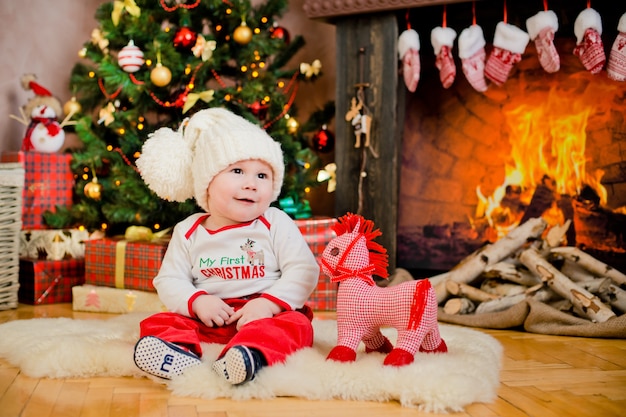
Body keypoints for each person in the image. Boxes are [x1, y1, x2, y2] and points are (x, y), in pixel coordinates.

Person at [132, 107, 320, 385]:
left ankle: (249, 355)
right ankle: (177, 353)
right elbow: (170, 279)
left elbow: (303, 270)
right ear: (207, 182)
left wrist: (268, 304)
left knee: (296, 326)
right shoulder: (189, 231)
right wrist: (196, 302)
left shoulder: (274, 222)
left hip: (262, 314)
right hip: (209, 316)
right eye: (238, 171)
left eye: (262, 176)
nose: (251, 184)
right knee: (161, 321)